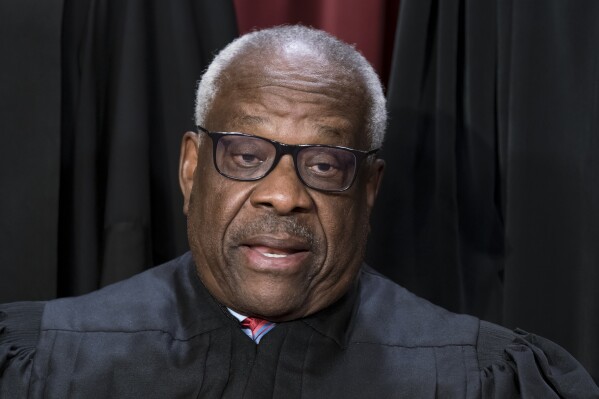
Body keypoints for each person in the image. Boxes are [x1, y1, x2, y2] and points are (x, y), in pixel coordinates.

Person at [1, 25, 597, 399]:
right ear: (191, 169)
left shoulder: (482, 380)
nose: (283, 195)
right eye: (246, 154)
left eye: (325, 164)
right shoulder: (45, 365)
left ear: (368, 189)